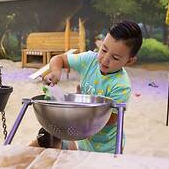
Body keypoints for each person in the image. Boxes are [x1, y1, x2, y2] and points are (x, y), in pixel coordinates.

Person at [43, 20, 143, 153]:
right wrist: (56, 71)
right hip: (84, 140)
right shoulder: (90, 60)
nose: (105, 59)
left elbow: (110, 120)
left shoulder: (121, 86)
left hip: (107, 147)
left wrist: (78, 110)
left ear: (129, 61)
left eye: (115, 57)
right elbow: (59, 59)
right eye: (104, 50)